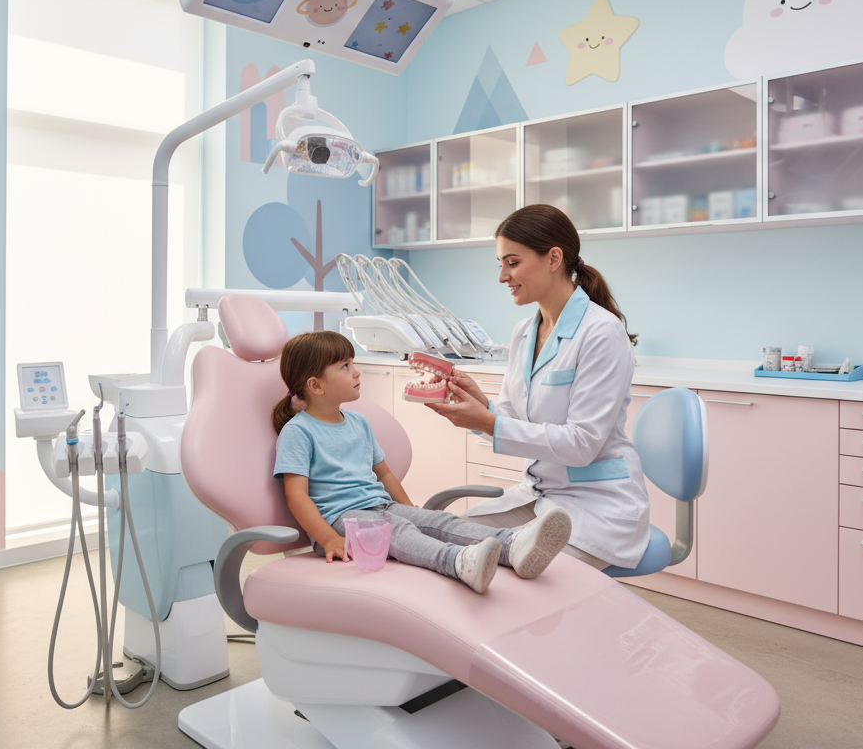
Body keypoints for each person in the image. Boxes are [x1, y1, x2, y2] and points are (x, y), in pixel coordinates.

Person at [426, 204, 650, 571]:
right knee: (443, 540)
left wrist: (487, 422)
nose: (503, 276)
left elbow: (580, 445)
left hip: (599, 507)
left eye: (512, 263)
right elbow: (513, 419)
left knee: (511, 575)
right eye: (500, 264)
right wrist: (479, 405)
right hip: (540, 495)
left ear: (554, 258)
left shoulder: (601, 333)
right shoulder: (523, 333)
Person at [271, 330, 572, 594]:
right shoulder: (298, 432)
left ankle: (512, 545)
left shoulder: (358, 423)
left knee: (437, 520)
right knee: (399, 530)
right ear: (316, 386)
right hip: (341, 521)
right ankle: (458, 563)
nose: (356, 372)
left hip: (380, 507)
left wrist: (412, 511)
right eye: (345, 366)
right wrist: (328, 538)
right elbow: (296, 496)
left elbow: (385, 476)